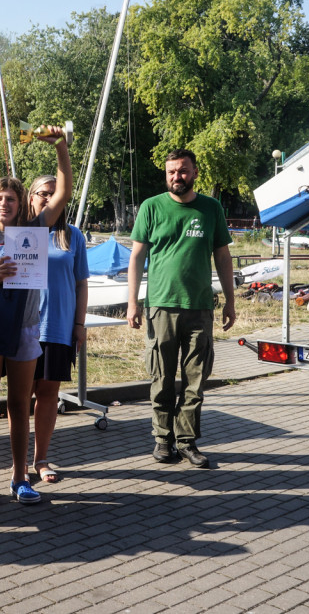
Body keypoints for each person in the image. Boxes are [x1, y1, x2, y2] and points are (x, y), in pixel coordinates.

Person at [0, 125, 72, 507]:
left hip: (24, 330)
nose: (4, 204)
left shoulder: (35, 232)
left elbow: (63, 193)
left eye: (11, 199)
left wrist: (60, 148)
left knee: (19, 405)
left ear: (21, 204)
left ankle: (20, 478)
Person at [126, 148, 237, 469]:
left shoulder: (210, 209)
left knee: (195, 380)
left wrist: (230, 301)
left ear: (195, 172)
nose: (177, 177)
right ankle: (163, 440)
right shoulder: (152, 207)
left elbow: (224, 258)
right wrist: (133, 303)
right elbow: (136, 258)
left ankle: (187, 442)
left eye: (183, 171)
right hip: (161, 306)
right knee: (161, 377)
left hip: (200, 307)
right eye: (172, 171)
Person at [27, 175, 89, 484]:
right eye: (43, 194)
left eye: (55, 195)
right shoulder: (21, 233)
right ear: (31, 197)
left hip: (58, 327)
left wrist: (79, 324)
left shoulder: (73, 236)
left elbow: (81, 284)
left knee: (48, 394)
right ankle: (16, 463)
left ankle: (40, 459)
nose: (49, 200)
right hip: (24, 329)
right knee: (18, 397)